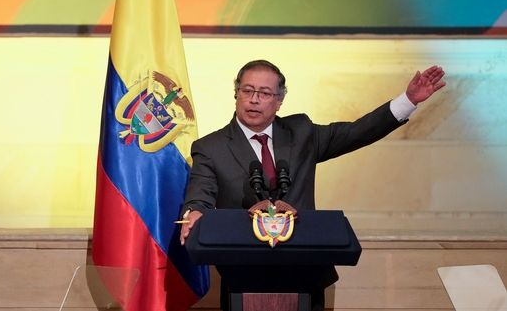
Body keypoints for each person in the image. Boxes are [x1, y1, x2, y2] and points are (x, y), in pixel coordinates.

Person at [179, 59, 446, 311]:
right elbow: (200, 194)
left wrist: (408, 101)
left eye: (265, 93)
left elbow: (356, 132)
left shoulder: (302, 132)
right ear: (236, 93)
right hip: (244, 274)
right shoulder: (211, 147)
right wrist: (194, 214)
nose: (254, 99)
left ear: (280, 101)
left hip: (305, 270)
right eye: (247, 90)